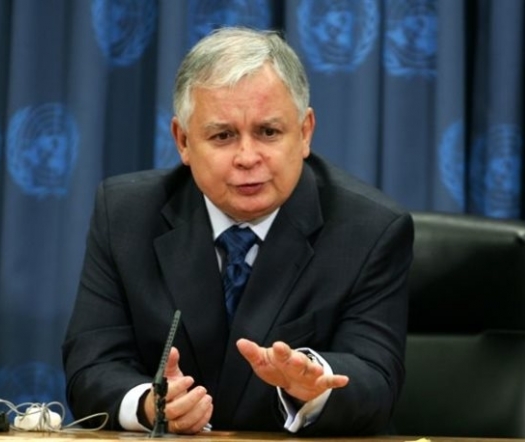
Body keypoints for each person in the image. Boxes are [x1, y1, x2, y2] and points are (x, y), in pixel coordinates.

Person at [62, 26, 414, 436]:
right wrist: (149, 404)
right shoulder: (126, 215)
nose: (247, 157)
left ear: (304, 132)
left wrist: (312, 387)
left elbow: (376, 377)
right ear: (183, 141)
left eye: (268, 132)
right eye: (223, 135)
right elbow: (92, 364)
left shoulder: (369, 229)